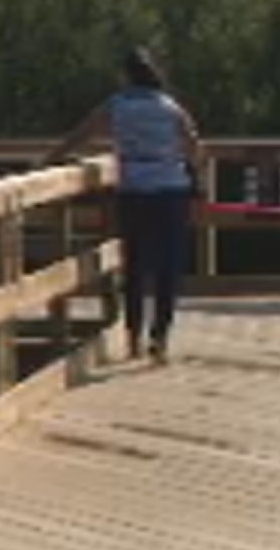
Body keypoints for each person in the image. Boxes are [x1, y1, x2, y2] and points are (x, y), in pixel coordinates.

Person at [45, 47, 205, 364]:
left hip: (134, 188)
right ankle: (160, 338)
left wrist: (53, 159)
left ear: (125, 75)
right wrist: (194, 174)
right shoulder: (168, 105)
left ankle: (132, 337)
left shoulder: (117, 104)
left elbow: (81, 134)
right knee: (167, 266)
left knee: (134, 263)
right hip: (170, 189)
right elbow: (194, 144)